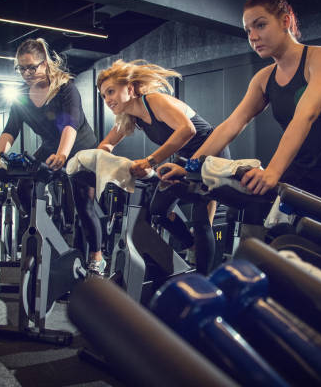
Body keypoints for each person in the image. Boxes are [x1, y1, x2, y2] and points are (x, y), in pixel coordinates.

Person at [159, 0, 321, 213]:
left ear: (285, 21)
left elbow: (305, 116)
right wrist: (191, 166)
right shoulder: (263, 79)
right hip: (302, 170)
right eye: (248, 30)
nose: (253, 36)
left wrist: (273, 170)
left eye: (260, 25)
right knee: (284, 243)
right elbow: (231, 125)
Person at [77, 59, 230, 275]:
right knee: (158, 210)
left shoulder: (153, 100)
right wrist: (98, 161)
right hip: (184, 159)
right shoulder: (129, 117)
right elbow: (107, 144)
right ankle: (192, 245)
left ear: (130, 89)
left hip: (211, 153)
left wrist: (150, 161)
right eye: (103, 96)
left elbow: (187, 131)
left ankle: (204, 283)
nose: (107, 99)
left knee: (202, 219)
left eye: (111, 92)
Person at [0, 38, 99, 269]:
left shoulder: (65, 88)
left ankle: (96, 257)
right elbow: (10, 131)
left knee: (84, 205)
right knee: (24, 186)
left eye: (32, 67)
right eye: (22, 68)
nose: (27, 73)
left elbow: (70, 125)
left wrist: (63, 155)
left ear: (45, 63)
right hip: (51, 146)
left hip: (81, 147)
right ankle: (45, 225)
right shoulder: (22, 97)